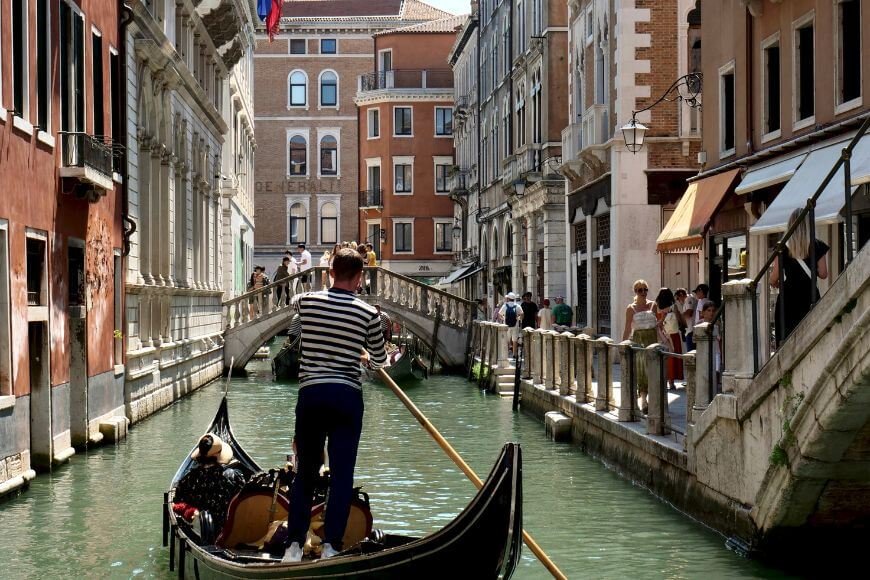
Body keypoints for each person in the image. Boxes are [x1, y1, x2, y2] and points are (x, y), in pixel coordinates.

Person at [283, 248, 388, 563]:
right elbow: (380, 361)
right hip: (346, 398)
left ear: (330, 271)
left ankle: (293, 546)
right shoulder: (368, 313)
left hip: (312, 396)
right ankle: (331, 546)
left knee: (306, 473)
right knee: (342, 475)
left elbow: (295, 330)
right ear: (359, 278)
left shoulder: (306, 302)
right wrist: (364, 355)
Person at [769, 207, 829, 347]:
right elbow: (824, 274)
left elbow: (773, 278)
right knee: (811, 339)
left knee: (787, 341)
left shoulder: (783, 248)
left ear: (790, 225)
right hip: (809, 296)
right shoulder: (817, 245)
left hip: (788, 299)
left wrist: (777, 282)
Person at [622, 280, 656, 414]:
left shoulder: (653, 305)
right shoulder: (631, 308)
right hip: (639, 340)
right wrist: (622, 345)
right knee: (642, 370)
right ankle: (643, 399)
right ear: (635, 292)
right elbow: (627, 328)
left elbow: (657, 325)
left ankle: (652, 399)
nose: (643, 292)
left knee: (653, 370)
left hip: (652, 340)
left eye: (645, 289)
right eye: (640, 290)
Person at [653, 287, 683, 389]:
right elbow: (679, 320)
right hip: (673, 335)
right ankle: (671, 382)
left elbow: (657, 322)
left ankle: (664, 380)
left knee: (664, 357)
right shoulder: (673, 307)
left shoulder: (657, 307)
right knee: (673, 357)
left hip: (662, 335)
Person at [677, 287, 697, 351]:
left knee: (690, 354)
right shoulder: (687, 301)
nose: (678, 301)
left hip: (691, 330)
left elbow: (689, 313)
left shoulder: (689, 299)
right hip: (689, 330)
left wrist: (680, 316)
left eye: (678, 298)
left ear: (681, 295)